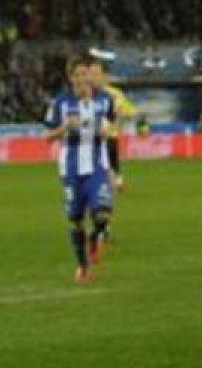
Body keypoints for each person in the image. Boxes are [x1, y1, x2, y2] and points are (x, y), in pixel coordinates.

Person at [43, 54, 116, 282]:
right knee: (75, 219)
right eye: (78, 75)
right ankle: (82, 266)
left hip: (96, 166)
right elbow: (47, 137)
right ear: (71, 78)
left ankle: (95, 238)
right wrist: (64, 126)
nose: (83, 79)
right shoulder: (60, 103)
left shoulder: (104, 100)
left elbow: (111, 123)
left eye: (86, 74)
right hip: (71, 169)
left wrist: (107, 129)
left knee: (102, 212)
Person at [88, 58, 138, 194]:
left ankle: (114, 182)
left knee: (110, 165)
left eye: (96, 74)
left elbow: (131, 111)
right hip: (88, 139)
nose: (92, 78)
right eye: (90, 74)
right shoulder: (84, 95)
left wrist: (122, 114)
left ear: (105, 76)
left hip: (109, 137)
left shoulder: (114, 94)